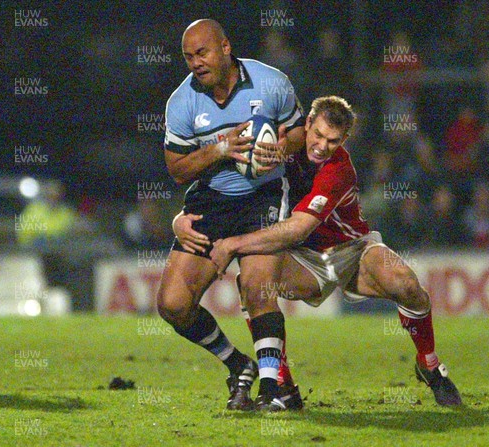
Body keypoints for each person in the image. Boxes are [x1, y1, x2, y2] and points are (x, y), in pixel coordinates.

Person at [176, 96, 462, 409]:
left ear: (344, 140)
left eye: (333, 141)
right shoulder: (275, 147)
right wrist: (181, 219)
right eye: (318, 135)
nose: (322, 146)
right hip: (302, 257)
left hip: (352, 249)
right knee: (253, 282)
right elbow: (223, 189)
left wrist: (231, 243)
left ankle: (430, 366)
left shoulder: (338, 169)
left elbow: (298, 227)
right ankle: (283, 387)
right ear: (307, 124)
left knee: (407, 285)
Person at [158, 19, 305, 412]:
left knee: (258, 288)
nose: (195, 63)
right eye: (188, 57)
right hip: (212, 201)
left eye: (202, 53)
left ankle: (274, 391)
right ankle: (238, 363)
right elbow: (177, 169)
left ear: (225, 47)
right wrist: (220, 149)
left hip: (263, 195)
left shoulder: (271, 82)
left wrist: (282, 150)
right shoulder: (182, 102)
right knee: (173, 304)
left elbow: (299, 132)